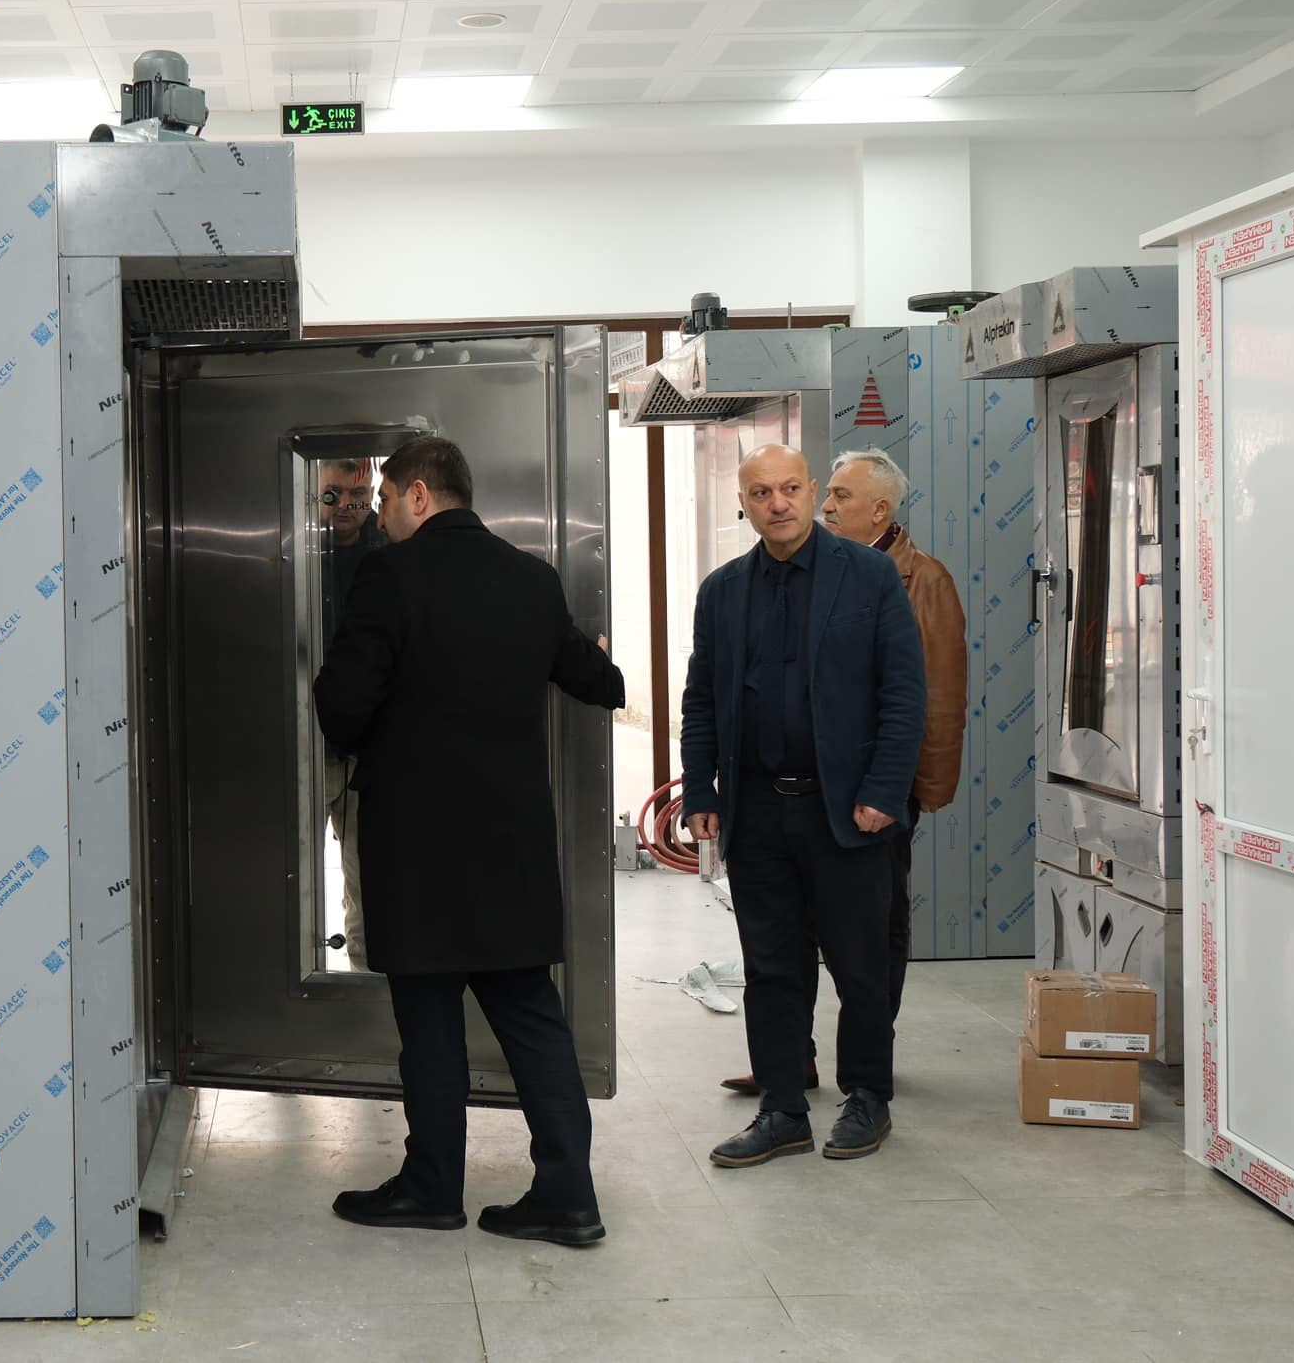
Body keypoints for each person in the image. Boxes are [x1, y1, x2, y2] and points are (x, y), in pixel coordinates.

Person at [313, 435, 624, 1244]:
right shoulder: (532, 579)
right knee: (532, 1015)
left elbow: (343, 707)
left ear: (419, 494)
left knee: (429, 1020)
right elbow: (598, 681)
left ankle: (432, 1189)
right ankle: (569, 1197)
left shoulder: (388, 576)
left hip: (417, 845)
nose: (381, 516)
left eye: (385, 500)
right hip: (510, 840)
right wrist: (597, 660)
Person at [680, 444, 924, 1167]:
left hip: (847, 812)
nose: (777, 503)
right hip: (757, 812)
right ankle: (783, 1108)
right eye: (761, 492)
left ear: (812, 492)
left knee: (860, 965)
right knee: (772, 968)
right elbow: (701, 700)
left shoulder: (869, 576)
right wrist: (701, 789)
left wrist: (884, 790)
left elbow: (904, 692)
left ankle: (868, 1097)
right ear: (744, 504)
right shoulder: (722, 592)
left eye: (789, 488)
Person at [717, 448, 968, 1097]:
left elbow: (933, 694)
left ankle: (867, 1074)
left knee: (871, 940)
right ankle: (790, 1062)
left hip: (873, 794)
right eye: (824, 493)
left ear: (880, 509)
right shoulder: (770, 579)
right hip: (791, 798)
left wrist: (911, 790)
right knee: (785, 938)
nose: (826, 506)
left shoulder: (916, 579)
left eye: (839, 496)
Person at [318, 457, 388, 970]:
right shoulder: (293, 549)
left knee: (368, 873)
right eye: (332, 494)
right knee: (290, 871)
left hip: (368, 747)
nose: (345, 506)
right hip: (306, 742)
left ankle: (366, 974)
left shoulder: (390, 556)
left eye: (357, 496)